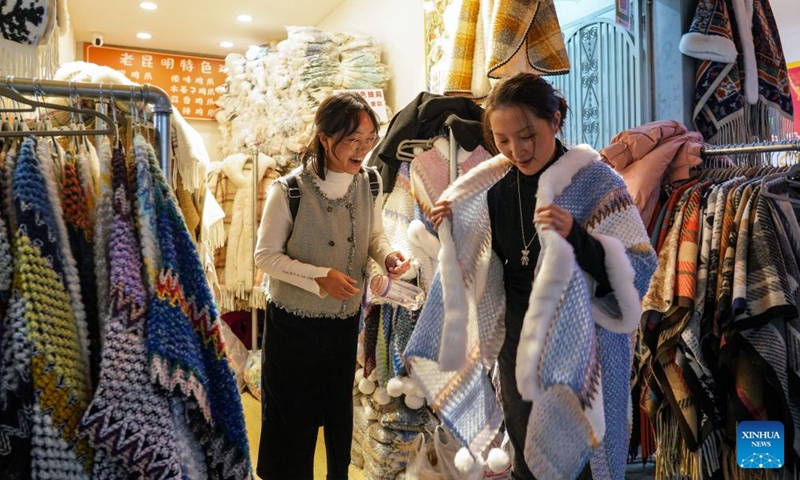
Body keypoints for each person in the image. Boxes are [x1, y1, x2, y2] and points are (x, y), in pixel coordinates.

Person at [424, 73, 657, 479]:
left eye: (527, 134)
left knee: (583, 460)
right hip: (520, 347)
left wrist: (577, 237)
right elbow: (484, 269)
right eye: (503, 140)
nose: (518, 149)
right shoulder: (495, 190)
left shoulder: (598, 182)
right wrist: (448, 226)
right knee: (528, 458)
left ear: (556, 119)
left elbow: (637, 271)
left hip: (586, 353)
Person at [254, 92, 411, 480]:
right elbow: (265, 257)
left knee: (338, 418)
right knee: (292, 423)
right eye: (353, 140)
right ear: (325, 138)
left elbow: (375, 236)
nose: (362, 150)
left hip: (343, 324)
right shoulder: (289, 190)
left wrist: (388, 255)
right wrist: (317, 277)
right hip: (293, 327)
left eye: (369, 139)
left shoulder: (370, 182)